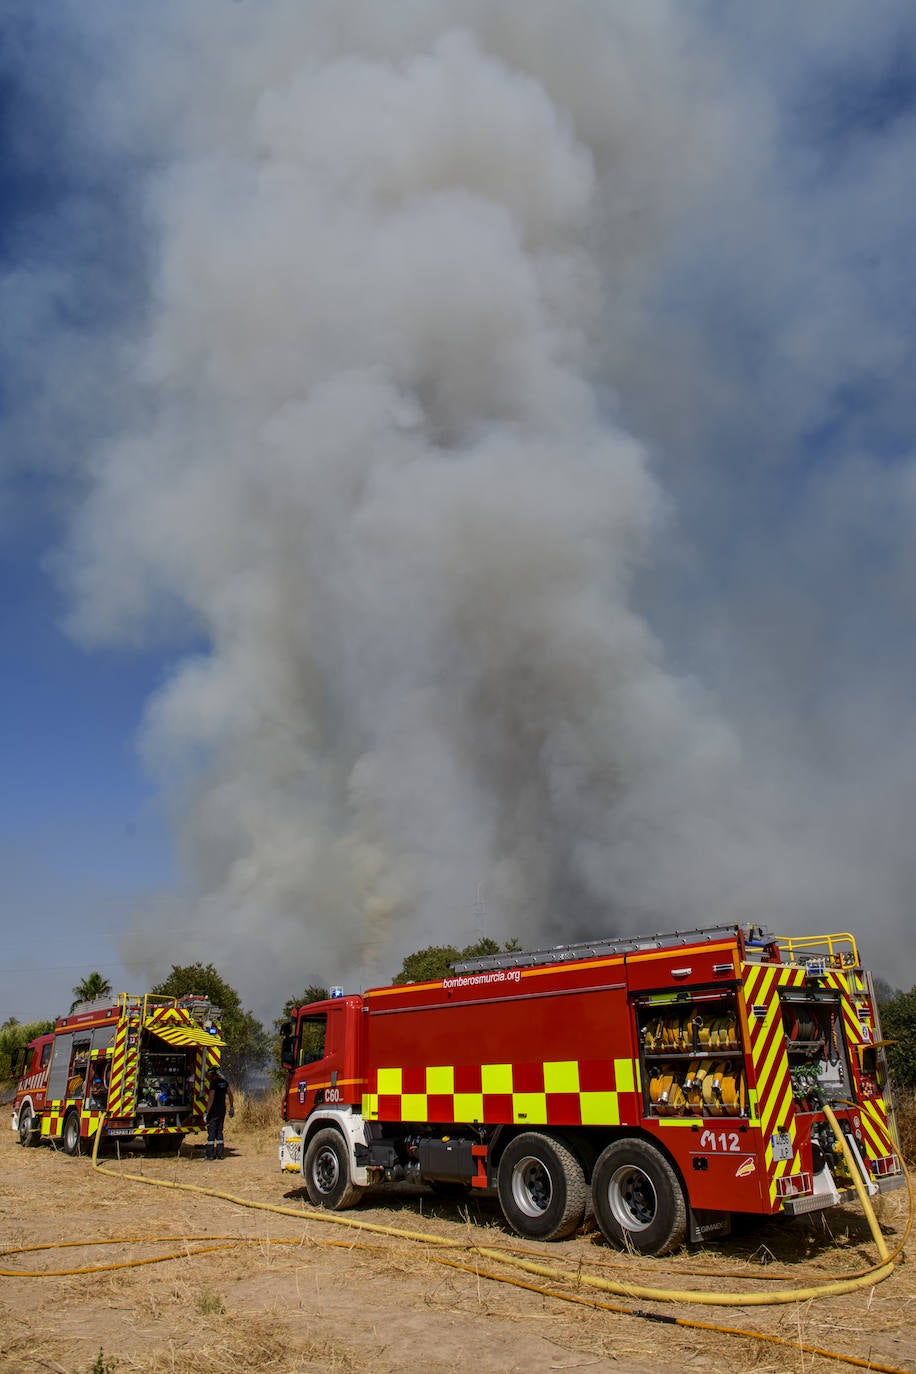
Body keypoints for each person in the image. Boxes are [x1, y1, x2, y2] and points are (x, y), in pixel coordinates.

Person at [203, 1068, 234, 1160]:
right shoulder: (224, 1083)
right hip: (222, 1111)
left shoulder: (214, 1083)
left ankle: (210, 1154)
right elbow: (230, 1094)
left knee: (212, 1132)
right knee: (219, 1132)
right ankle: (220, 1154)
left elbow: (211, 1098)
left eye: (210, 1075)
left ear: (213, 1074)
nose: (209, 1077)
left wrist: (206, 1112)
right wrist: (231, 1107)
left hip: (214, 1111)